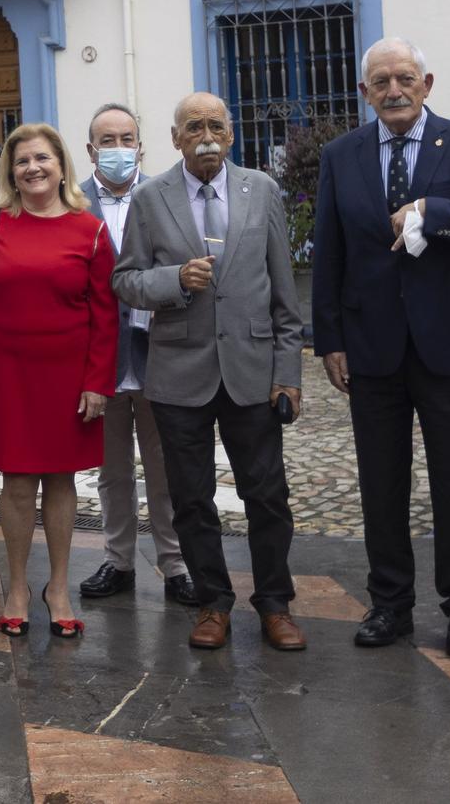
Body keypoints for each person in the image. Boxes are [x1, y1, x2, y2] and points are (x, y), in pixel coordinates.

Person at [313, 37, 450, 661]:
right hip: (371, 345)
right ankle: (389, 605)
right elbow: (330, 254)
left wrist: (437, 210)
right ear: (365, 93)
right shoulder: (340, 156)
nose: (394, 90)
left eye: (405, 78)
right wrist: (330, 338)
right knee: (381, 485)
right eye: (381, 82)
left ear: (427, 83)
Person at [112, 94, 307, 653]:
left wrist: (287, 371)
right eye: (193, 127)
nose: (206, 136)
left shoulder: (261, 190)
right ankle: (212, 603)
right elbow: (126, 280)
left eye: (216, 126)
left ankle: (275, 603)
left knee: (267, 495)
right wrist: (174, 279)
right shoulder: (150, 198)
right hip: (179, 370)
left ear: (231, 133)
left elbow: (283, 291)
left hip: (252, 369)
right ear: (175, 138)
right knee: (191, 499)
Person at [0, 123, 116, 638]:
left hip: (69, 373)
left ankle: (58, 586)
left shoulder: (91, 230)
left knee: (62, 481)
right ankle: (18, 587)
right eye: (22, 161)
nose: (33, 168)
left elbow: (106, 314)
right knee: (17, 483)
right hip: (10, 370)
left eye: (43, 158)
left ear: (62, 166)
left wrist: (97, 382)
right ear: (10, 172)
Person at [79, 103, 194, 608]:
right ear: (90, 149)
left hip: (160, 353)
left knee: (164, 467)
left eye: (126, 138)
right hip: (99, 360)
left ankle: (175, 563)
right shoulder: (73, 204)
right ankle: (119, 559)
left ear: (141, 145)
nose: (118, 148)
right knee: (113, 472)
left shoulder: (164, 197)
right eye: (108, 140)